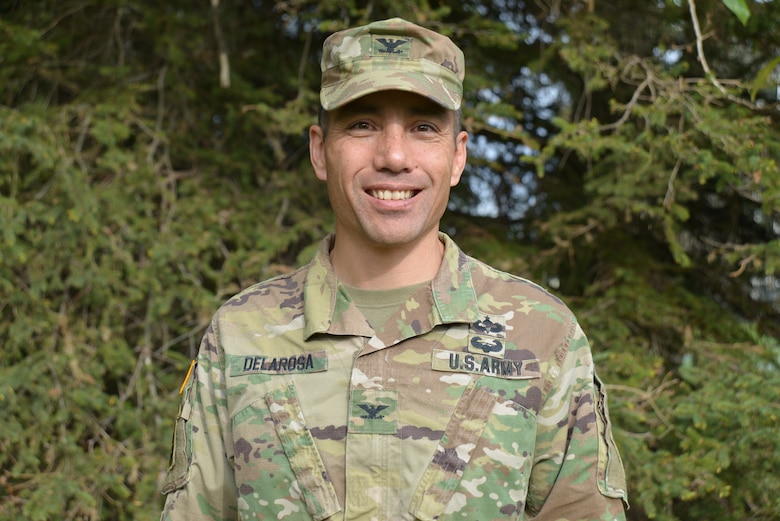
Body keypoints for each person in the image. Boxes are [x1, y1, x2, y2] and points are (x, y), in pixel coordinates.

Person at [159, 17, 628, 521]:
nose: (394, 156)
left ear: (457, 156)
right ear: (320, 150)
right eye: (362, 125)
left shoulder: (541, 335)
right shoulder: (241, 335)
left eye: (424, 128)